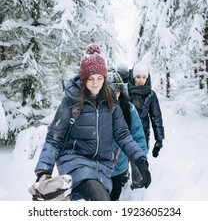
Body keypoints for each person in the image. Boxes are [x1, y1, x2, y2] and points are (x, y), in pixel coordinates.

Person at [32, 44, 151, 201]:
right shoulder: (71, 101)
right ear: (84, 78)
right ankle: (57, 190)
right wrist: (43, 171)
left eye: (100, 78)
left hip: (102, 167)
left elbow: (123, 135)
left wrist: (140, 159)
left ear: (104, 78)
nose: (95, 83)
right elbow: (54, 138)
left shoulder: (112, 104)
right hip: (75, 161)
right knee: (100, 199)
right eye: (91, 78)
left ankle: (62, 195)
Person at [107, 69, 148, 201]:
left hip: (120, 166)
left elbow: (138, 136)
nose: (114, 95)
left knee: (113, 197)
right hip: (100, 169)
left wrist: (141, 162)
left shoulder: (128, 109)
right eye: (109, 91)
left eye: (117, 91)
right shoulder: (95, 110)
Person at [128, 61, 165, 156]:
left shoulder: (151, 95)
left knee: (139, 164)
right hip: (126, 133)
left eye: (144, 77)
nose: (141, 80)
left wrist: (159, 139)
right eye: (138, 77)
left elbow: (156, 117)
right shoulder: (126, 92)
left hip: (142, 133)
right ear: (133, 77)